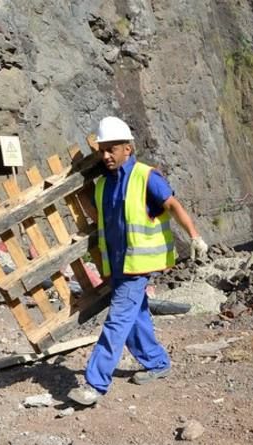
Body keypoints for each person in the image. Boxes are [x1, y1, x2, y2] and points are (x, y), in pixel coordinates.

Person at [68, 116, 208, 406]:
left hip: (138, 267)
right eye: (102, 150)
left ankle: (95, 384)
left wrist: (194, 235)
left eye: (112, 149)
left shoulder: (146, 177)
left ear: (127, 149)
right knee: (135, 316)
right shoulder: (102, 186)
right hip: (118, 266)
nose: (105, 155)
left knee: (117, 321)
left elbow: (172, 204)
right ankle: (157, 362)